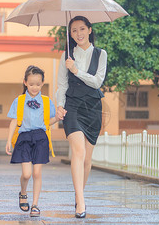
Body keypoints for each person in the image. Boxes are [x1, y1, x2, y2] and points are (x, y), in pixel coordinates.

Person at [56, 16, 107, 219]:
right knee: (78, 152)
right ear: (70, 34)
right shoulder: (66, 55)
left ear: (89, 29)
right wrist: (60, 105)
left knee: (87, 159)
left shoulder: (101, 54)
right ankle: (81, 201)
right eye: (74, 30)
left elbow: (97, 82)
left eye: (82, 29)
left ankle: (80, 196)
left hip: (93, 107)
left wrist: (76, 70)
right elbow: (62, 85)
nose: (78, 33)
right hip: (73, 107)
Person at [5, 65, 59, 217]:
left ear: (42, 83)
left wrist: (59, 117)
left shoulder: (47, 101)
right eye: (31, 84)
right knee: (27, 174)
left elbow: (49, 121)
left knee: (37, 173)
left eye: (38, 84)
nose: (34, 87)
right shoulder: (20, 100)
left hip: (41, 138)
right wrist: (9, 140)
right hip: (24, 138)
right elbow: (14, 121)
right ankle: (23, 193)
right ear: (25, 83)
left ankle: (35, 205)